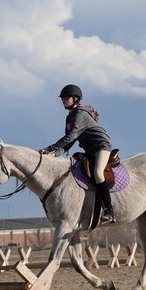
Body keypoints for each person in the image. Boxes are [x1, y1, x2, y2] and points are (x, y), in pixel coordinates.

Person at [40, 84, 115, 223]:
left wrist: (49, 149)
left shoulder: (80, 114)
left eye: (66, 97)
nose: (63, 100)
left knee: (98, 173)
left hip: (101, 146)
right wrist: (53, 154)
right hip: (90, 150)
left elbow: (70, 137)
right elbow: (68, 143)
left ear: (75, 99)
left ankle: (110, 211)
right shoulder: (69, 118)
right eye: (62, 98)